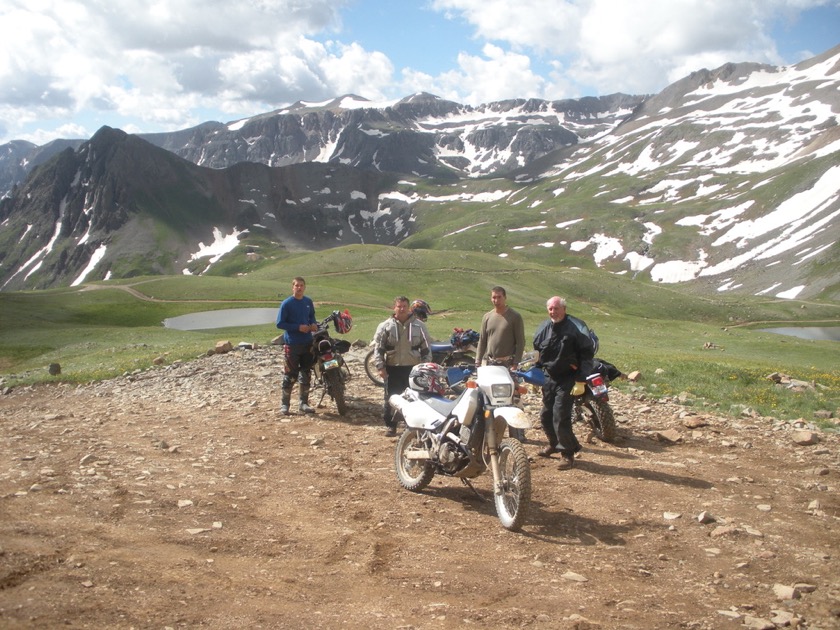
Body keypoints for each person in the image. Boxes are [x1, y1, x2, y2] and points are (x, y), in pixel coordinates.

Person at [533, 296, 596, 469]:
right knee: (546, 415)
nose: (553, 312)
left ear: (564, 309)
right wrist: (535, 373)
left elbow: (587, 355)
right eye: (551, 309)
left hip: (569, 377)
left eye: (556, 308)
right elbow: (537, 353)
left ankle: (567, 454)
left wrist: (581, 379)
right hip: (549, 377)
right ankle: (554, 444)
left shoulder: (575, 328)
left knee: (560, 415)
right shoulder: (544, 328)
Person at [373, 296, 433, 436]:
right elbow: (379, 348)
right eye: (399, 306)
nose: (402, 309)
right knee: (392, 398)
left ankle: (411, 426)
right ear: (394, 308)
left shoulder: (419, 326)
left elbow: (426, 348)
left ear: (408, 308)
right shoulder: (385, 326)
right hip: (392, 367)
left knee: (413, 398)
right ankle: (391, 426)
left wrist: (425, 368)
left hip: (413, 369)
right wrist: (380, 366)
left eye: (404, 306)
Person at [275, 277, 318, 415]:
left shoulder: (308, 302)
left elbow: (312, 317)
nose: (299, 288)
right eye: (296, 285)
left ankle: (303, 403)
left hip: (307, 343)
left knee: (306, 374)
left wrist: (313, 325)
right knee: (290, 375)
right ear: (292, 287)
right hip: (292, 344)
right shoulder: (286, 303)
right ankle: (285, 405)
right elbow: (280, 323)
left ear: (304, 287)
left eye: (301, 285)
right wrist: (298, 327)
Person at [474, 286, 525, 368]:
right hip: (490, 363)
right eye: (494, 297)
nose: (496, 300)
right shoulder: (487, 317)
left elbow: (520, 342)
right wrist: (478, 361)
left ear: (505, 297)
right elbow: (482, 340)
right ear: (491, 299)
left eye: (499, 297)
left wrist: (516, 363)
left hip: (508, 364)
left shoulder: (515, 317)